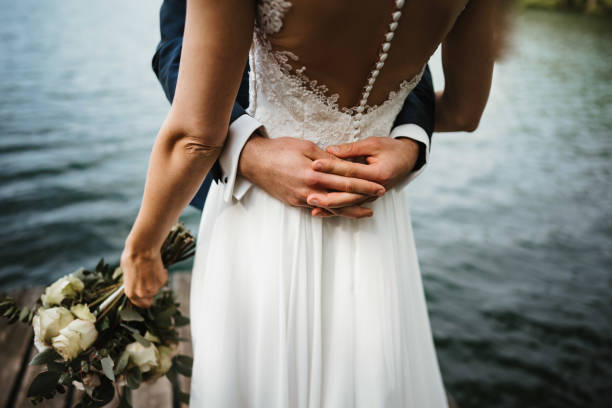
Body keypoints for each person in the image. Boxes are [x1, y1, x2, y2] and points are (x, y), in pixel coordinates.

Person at [121, 0, 500, 406]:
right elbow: (463, 111)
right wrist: (249, 151)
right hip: (374, 219)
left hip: (262, 223)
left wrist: (144, 247)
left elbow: (194, 139)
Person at [150, 0, 436, 217]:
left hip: (374, 195)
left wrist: (411, 144)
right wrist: (247, 151)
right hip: (249, 187)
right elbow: (179, 43)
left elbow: (409, 60)